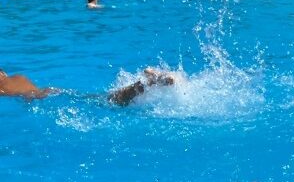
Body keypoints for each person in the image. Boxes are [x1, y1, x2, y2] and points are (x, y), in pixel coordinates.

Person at [0, 67, 174, 105]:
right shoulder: (17, 75)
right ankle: (146, 82)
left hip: (43, 97)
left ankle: (146, 83)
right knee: (97, 98)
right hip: (52, 90)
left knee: (109, 103)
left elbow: (14, 94)